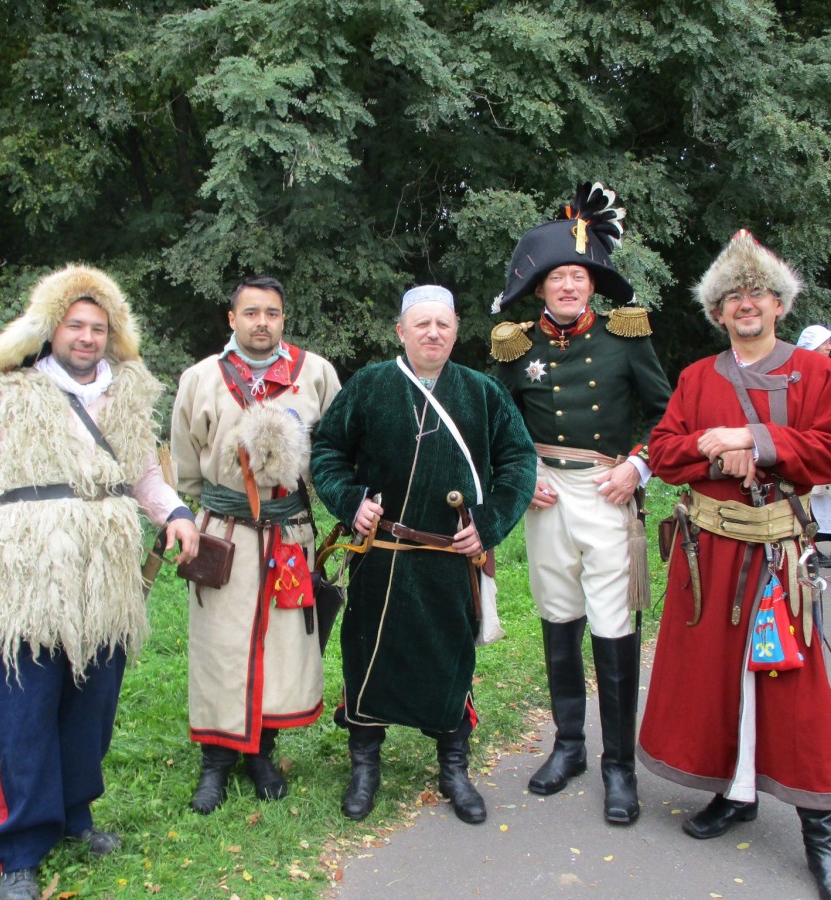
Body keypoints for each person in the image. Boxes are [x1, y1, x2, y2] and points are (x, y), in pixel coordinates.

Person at [0, 265, 199, 900]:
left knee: (91, 705)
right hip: (23, 574)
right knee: (24, 710)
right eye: (75, 325)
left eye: (98, 328)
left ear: (112, 335)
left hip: (103, 577)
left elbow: (143, 477)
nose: (86, 337)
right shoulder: (13, 396)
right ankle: (19, 849)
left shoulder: (126, 397)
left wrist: (177, 514)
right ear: (52, 330)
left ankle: (75, 815)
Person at [638, 231, 831, 900]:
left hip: (779, 560)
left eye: (758, 292)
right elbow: (665, 452)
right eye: (733, 295)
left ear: (779, 305)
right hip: (708, 556)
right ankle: (736, 794)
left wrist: (754, 440)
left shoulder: (817, 374)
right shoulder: (697, 377)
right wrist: (715, 451)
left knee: (796, 694)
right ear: (718, 311)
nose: (747, 303)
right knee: (714, 681)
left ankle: (822, 835)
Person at [311, 285, 535, 825]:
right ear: (401, 331)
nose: (433, 333)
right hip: (381, 553)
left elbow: (519, 461)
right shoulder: (370, 385)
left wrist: (488, 523)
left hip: (450, 559)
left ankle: (454, 768)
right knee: (367, 656)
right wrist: (352, 501)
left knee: (450, 660)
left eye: (443, 325)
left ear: (455, 331)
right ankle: (365, 766)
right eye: (422, 324)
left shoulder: (482, 392)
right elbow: (327, 451)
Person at [490, 181, 671, 825]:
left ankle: (619, 766)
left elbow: (667, 415)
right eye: (556, 277)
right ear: (539, 287)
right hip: (545, 496)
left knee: (614, 624)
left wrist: (638, 466)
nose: (568, 286)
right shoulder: (515, 344)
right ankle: (569, 746)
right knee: (558, 615)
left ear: (593, 284)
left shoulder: (626, 337)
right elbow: (498, 423)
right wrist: (521, 475)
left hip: (606, 489)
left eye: (578, 276)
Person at [170, 276, 341, 813]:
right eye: (250, 312)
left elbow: (335, 449)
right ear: (232, 319)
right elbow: (185, 466)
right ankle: (216, 762)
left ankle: (261, 753)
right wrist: (213, 509)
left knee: (282, 645)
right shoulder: (201, 378)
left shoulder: (316, 375)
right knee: (220, 647)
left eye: (271, 312)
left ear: (283, 318)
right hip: (222, 532)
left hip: (289, 535)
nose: (261, 322)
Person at [797, 324, 831, 567]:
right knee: (801, 500)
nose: (829, 347)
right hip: (801, 443)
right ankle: (808, 549)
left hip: (816, 441)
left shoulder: (826, 370)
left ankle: (810, 548)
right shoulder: (800, 371)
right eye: (825, 343)